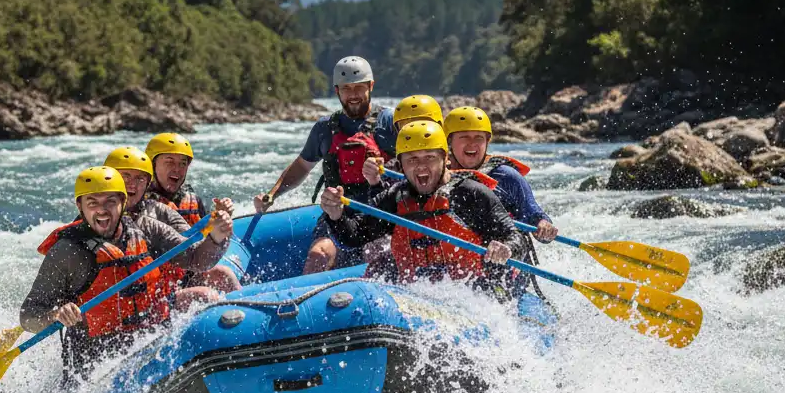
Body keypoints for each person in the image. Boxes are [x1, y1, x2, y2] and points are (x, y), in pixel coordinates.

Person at [20, 166, 233, 379]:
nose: (102, 210)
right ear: (80, 206)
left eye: (110, 202)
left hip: (152, 340)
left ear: (122, 202)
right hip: (95, 359)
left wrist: (217, 237)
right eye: (92, 203)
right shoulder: (67, 252)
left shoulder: (147, 229)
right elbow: (28, 315)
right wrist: (57, 314)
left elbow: (196, 260)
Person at [319, 120, 523, 291]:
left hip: (474, 293)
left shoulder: (470, 193)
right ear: (401, 165)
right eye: (412, 159)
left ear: (446, 159)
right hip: (416, 297)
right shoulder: (396, 197)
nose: (421, 166)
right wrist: (336, 215)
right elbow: (353, 238)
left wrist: (505, 248)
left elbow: (514, 237)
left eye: (430, 157)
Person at [252, 56, 396, 273]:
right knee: (318, 255)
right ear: (337, 90)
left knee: (375, 254)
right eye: (346, 88)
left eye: (359, 87)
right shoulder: (324, 128)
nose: (353, 95)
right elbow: (302, 166)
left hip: (379, 211)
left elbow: (413, 163)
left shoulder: (389, 122)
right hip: (337, 210)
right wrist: (272, 195)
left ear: (371, 86)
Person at [138, 135, 241, 293]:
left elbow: (202, 240)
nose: (177, 169)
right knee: (206, 294)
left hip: (188, 273)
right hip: (157, 288)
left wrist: (218, 219)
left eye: (183, 163)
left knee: (223, 274)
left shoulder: (192, 199)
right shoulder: (142, 206)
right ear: (152, 165)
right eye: (169, 162)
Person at [443, 107, 558, 243]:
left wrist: (543, 225)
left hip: (506, 251)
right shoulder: (437, 178)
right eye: (464, 137)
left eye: (479, 138)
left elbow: (533, 213)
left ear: (487, 141)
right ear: (449, 142)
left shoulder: (506, 176)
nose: (472, 143)